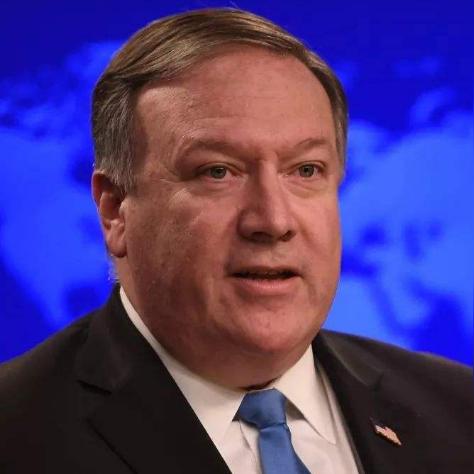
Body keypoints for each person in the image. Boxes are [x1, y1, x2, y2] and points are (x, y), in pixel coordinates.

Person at [0, 8, 471, 474]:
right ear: (115, 210)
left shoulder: (458, 409)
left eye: (306, 170)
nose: (273, 220)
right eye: (217, 172)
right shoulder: (17, 431)